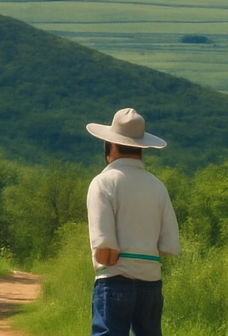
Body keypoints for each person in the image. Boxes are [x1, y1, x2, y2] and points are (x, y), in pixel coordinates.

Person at [86, 108, 181, 336]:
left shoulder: (103, 183)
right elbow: (169, 246)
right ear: (141, 148)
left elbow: (104, 250)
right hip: (151, 282)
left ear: (112, 145)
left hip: (114, 281)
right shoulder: (158, 186)